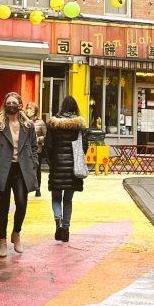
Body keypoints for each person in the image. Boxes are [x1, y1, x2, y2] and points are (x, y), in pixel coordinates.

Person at [0, 91, 39, 257]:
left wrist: (33, 163)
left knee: (22, 203)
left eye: (14, 102)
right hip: (3, 169)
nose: (11, 105)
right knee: (4, 207)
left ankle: (16, 233)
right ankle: (2, 241)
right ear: (4, 105)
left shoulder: (28, 125)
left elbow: (34, 147)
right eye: (9, 103)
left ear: (20, 105)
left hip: (21, 170)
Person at [41, 96, 88, 243]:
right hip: (73, 168)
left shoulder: (54, 124)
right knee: (68, 199)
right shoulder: (79, 125)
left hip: (57, 166)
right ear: (75, 107)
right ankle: (66, 229)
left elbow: (48, 146)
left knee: (56, 197)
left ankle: (58, 222)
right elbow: (84, 147)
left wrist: (52, 162)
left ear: (63, 107)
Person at [25, 102, 46, 196]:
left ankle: (38, 188)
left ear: (35, 111)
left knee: (37, 169)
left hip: (37, 150)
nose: (29, 110)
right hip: (25, 150)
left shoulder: (40, 123)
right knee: (25, 169)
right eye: (28, 108)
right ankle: (25, 187)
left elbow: (46, 136)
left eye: (31, 109)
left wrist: (39, 139)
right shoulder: (23, 121)